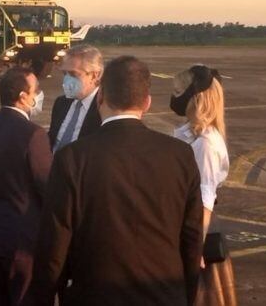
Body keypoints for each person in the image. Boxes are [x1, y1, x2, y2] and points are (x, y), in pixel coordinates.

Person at [32, 56, 205, 306]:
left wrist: (44, 297)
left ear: (100, 98)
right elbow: (191, 237)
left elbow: (54, 245)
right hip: (165, 294)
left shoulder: (73, 158)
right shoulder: (180, 155)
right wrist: (185, 295)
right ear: (147, 103)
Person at [0, 67, 52, 306]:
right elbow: (48, 187)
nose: (39, 96)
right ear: (23, 97)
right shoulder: (33, 134)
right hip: (21, 242)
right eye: (36, 90)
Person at [171, 65, 235, 305]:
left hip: (193, 237)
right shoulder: (191, 134)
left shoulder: (205, 144)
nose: (175, 96)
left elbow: (204, 203)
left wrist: (194, 250)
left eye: (179, 91)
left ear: (194, 97)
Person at [48, 44, 103, 152]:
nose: (67, 79)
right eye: (65, 73)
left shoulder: (104, 108)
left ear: (94, 75)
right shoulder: (61, 103)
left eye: (73, 74)